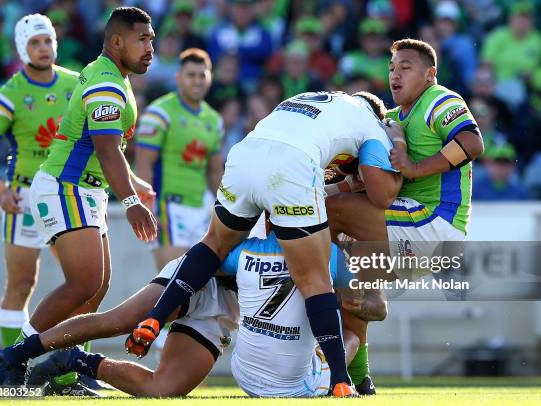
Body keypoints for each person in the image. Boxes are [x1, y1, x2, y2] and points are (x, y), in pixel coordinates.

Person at [130, 90, 404, 397]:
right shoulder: (374, 123)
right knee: (315, 280)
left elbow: (297, 152)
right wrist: (399, 141)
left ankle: (155, 317)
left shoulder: (311, 98)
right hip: (291, 166)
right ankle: (340, 381)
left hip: (245, 154)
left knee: (213, 244)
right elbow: (382, 194)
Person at [0, 6, 158, 393]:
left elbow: (109, 149)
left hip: (84, 187)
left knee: (95, 287)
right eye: (142, 39)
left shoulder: (107, 76)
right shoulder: (106, 83)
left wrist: (134, 183)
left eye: (151, 40)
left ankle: (65, 367)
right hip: (65, 186)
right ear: (116, 41)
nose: (150, 48)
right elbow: (107, 148)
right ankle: (9, 357)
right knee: (80, 281)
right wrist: (131, 203)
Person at [0, 228, 385, 398]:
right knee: (121, 319)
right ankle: (13, 355)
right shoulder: (272, 185)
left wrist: (356, 297)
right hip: (203, 274)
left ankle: (80, 361)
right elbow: (217, 245)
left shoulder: (336, 216)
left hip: (230, 303)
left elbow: (373, 307)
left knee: (165, 390)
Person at [325, 39, 483, 281]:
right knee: (350, 298)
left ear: (430, 74)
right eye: (391, 69)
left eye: (405, 68)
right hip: (412, 229)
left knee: (328, 211)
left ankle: (319, 285)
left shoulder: (437, 98)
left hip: (435, 223)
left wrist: (415, 168)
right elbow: (361, 180)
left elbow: (472, 142)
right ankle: (364, 296)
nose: (395, 75)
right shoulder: (392, 117)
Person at [0, 14, 79, 348]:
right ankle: (7, 367)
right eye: (35, 42)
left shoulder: (76, 83)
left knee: (81, 283)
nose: (43, 48)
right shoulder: (9, 94)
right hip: (25, 197)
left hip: (67, 193)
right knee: (21, 284)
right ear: (23, 49)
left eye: (48, 40)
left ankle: (75, 370)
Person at [135, 48, 224, 271]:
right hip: (168, 207)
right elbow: (144, 164)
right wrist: (148, 208)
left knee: (201, 287)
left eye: (202, 75)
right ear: (178, 78)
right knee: (171, 281)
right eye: (190, 75)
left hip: (201, 209)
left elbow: (214, 171)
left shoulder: (214, 120)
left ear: (210, 78)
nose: (197, 81)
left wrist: (223, 208)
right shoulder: (159, 113)